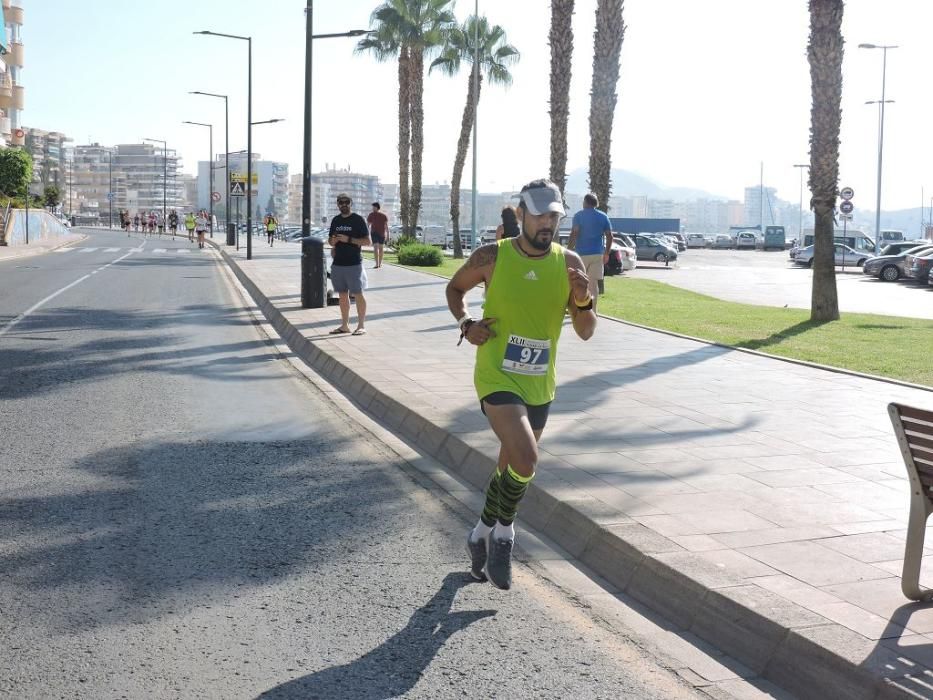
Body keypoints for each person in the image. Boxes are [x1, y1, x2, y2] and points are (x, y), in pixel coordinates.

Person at [445, 178, 597, 590]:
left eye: (555, 215)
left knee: (510, 466)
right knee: (527, 460)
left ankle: (479, 533)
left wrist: (582, 299)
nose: (548, 222)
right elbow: (455, 288)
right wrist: (467, 324)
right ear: (523, 214)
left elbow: (586, 330)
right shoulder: (492, 257)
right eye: (541, 214)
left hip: (539, 382)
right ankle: (505, 538)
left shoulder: (571, 265)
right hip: (496, 372)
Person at [327, 194, 370, 336]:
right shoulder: (336, 220)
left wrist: (348, 239)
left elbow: (367, 241)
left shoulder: (358, 220)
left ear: (351, 203)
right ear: (337, 204)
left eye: (346, 202)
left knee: (358, 293)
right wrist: (333, 241)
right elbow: (330, 241)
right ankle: (344, 325)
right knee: (342, 295)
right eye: (341, 202)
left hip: (354, 264)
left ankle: (361, 325)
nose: (344, 204)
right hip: (338, 263)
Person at [567, 193, 612, 308]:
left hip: (581, 255)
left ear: (586, 202)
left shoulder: (578, 216)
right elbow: (610, 236)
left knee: (577, 283)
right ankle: (592, 311)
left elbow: (575, 233)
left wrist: (569, 250)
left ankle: (578, 309)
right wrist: (606, 253)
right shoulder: (603, 216)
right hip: (597, 254)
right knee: (593, 285)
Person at [367, 201, 389, 268]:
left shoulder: (383, 216)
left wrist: (388, 235)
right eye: (372, 207)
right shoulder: (371, 215)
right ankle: (377, 264)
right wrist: (366, 234)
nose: (373, 208)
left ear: (377, 207)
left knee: (381, 248)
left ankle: (380, 263)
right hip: (374, 233)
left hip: (381, 234)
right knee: (375, 248)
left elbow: (386, 226)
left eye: (374, 207)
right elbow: (368, 225)